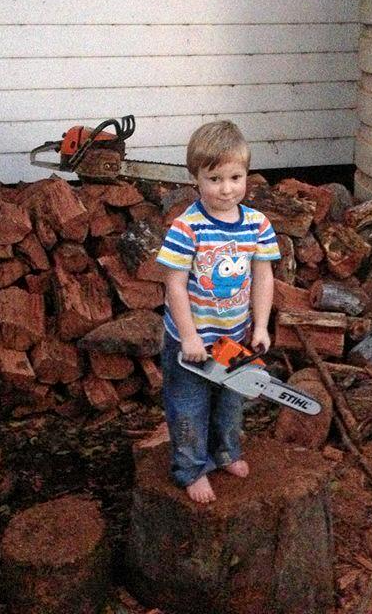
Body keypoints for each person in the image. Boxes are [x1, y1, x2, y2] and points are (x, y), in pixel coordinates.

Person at [155, 120, 280, 503]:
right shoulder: (187, 227)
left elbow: (263, 276)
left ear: (246, 175)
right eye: (214, 179)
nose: (226, 189)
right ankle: (190, 468)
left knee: (230, 400)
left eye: (235, 177)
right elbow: (173, 283)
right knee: (189, 406)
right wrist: (189, 335)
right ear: (196, 179)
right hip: (191, 341)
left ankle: (225, 451)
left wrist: (260, 326)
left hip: (232, 337)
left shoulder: (257, 225)